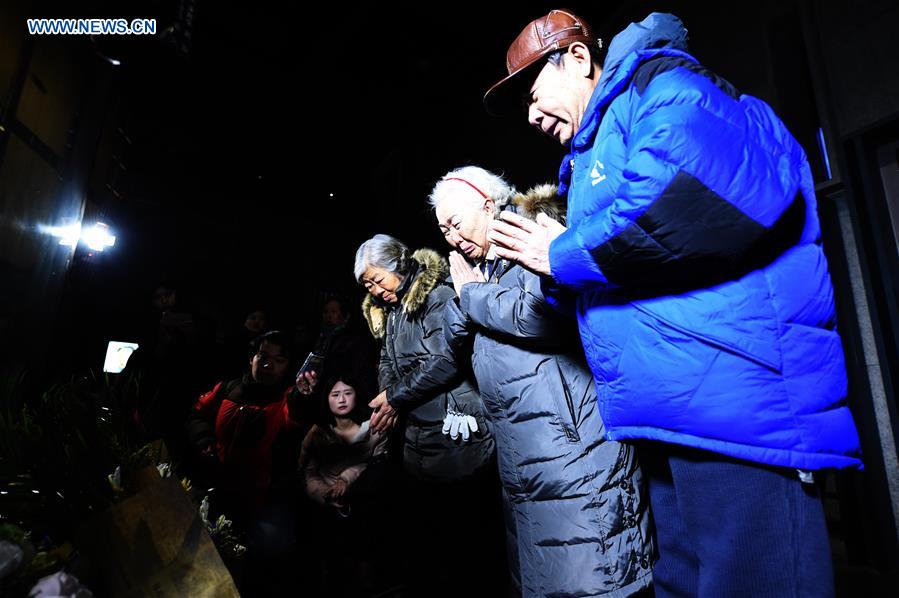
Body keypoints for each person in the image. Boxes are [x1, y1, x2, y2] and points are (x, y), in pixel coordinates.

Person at [482, 9, 862, 597]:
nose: (532, 117)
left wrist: (559, 256)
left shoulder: (660, 84)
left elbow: (686, 191)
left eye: (534, 95)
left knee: (757, 581)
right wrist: (553, 272)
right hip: (668, 410)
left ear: (579, 59)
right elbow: (613, 269)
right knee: (685, 583)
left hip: (733, 407)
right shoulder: (588, 158)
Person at [431, 166, 653, 597]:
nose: (451, 239)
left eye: (455, 224)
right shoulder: (483, 265)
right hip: (527, 454)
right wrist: (466, 299)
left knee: (595, 573)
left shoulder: (532, 233)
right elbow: (455, 339)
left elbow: (540, 316)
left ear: (488, 204)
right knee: (551, 576)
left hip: (572, 447)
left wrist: (472, 296)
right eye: (443, 230)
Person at [354, 234, 505, 595]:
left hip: (458, 431)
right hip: (418, 437)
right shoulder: (391, 311)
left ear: (400, 265)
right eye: (368, 284)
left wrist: (396, 397)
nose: (375, 290)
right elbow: (389, 361)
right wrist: (388, 397)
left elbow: (445, 360)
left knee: (469, 535)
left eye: (378, 279)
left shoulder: (437, 297)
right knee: (433, 537)